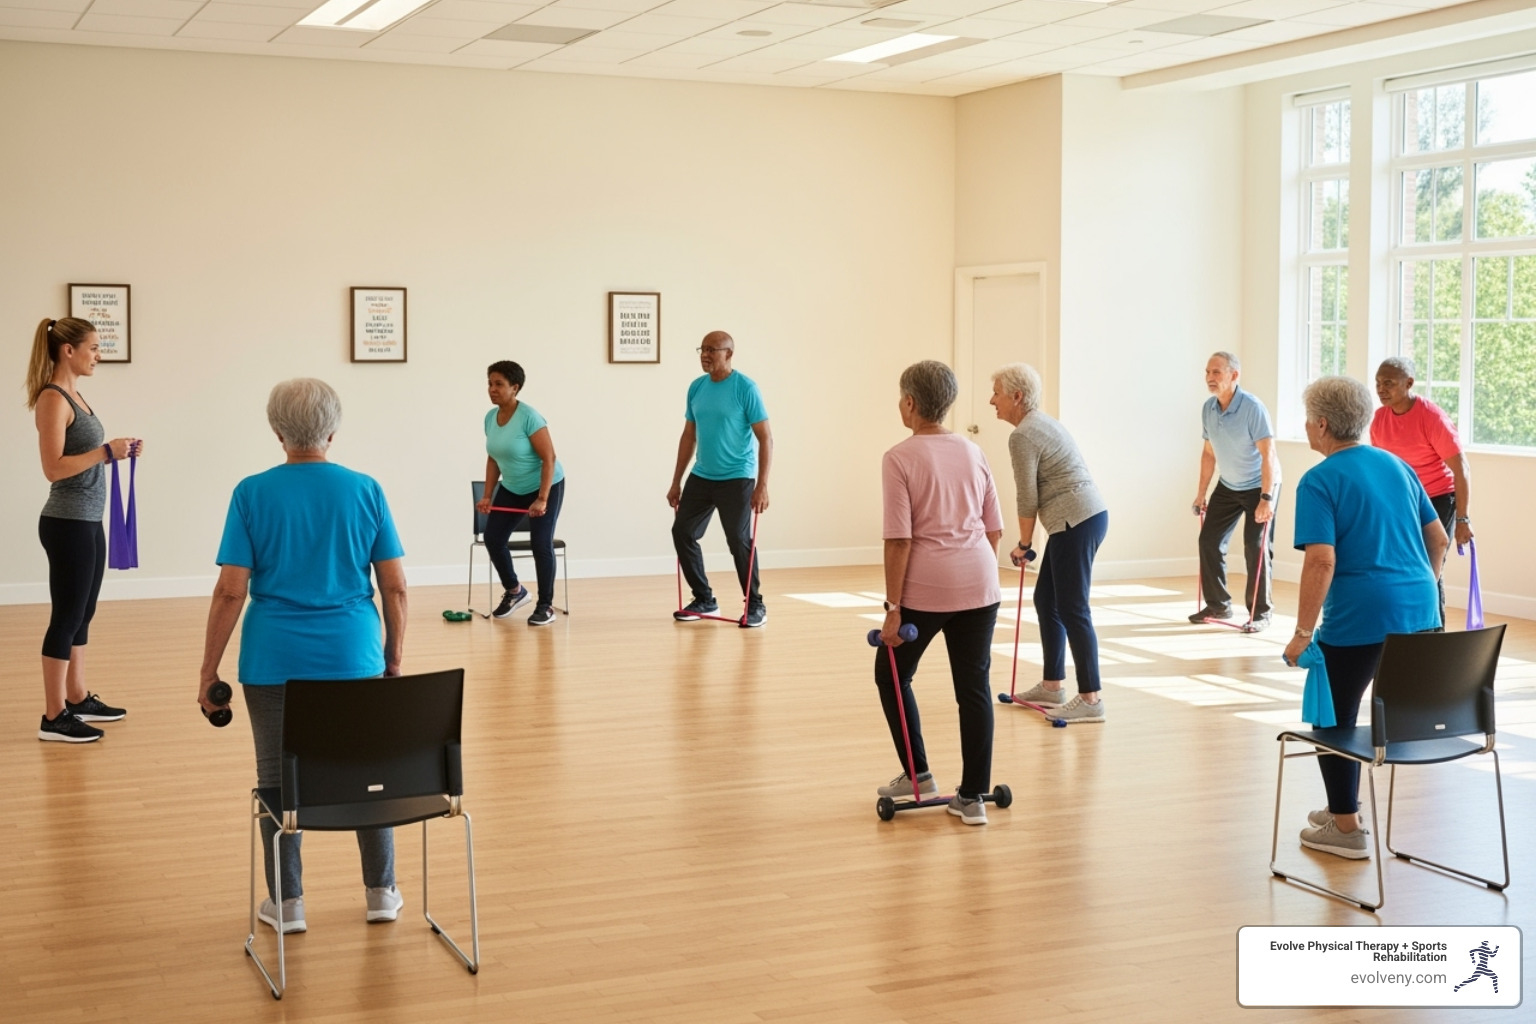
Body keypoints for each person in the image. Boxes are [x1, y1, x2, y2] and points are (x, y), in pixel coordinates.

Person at [199, 378, 409, 934]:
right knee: (367, 772)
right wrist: (391, 658)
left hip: (273, 660)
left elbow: (230, 590)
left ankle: (288, 904)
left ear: (277, 431)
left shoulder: (251, 492)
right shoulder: (365, 489)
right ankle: (381, 893)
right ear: (332, 431)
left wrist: (207, 672)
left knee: (276, 780)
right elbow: (395, 588)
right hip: (353, 658)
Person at [1282, 376, 1445, 860]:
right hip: (1421, 615)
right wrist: (1418, 589)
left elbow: (1321, 561)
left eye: (1309, 418)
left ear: (1323, 425)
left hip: (1359, 619)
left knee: (1332, 720)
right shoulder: (1397, 466)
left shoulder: (1319, 480)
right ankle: (1340, 810)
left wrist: (1301, 634)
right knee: (1357, 712)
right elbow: (1437, 539)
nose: (1307, 427)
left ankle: (1347, 828)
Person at [874, 361, 1004, 825]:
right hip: (981, 584)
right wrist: (973, 570)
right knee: (974, 689)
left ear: (910, 403)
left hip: (926, 591)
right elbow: (994, 529)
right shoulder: (972, 451)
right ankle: (972, 798)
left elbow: (900, 539)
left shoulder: (899, 457)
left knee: (892, 674)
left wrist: (893, 609)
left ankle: (918, 775)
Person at [26, 317, 139, 743]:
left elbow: (89, 455)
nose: (98, 355)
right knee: (67, 615)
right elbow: (52, 468)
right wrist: (105, 451)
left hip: (87, 520)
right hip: (66, 521)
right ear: (68, 350)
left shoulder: (77, 395)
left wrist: (116, 453)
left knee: (84, 613)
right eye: (93, 347)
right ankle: (53, 716)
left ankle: (76, 696)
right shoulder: (53, 399)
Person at [989, 363, 1109, 722]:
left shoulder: (1023, 434)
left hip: (1077, 521)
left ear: (1016, 396)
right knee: (1047, 599)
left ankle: (1091, 699)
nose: (991, 400)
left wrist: (1024, 544)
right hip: (1076, 520)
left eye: (996, 392)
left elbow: (1027, 497)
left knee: (1074, 608)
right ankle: (1052, 685)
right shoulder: (1039, 423)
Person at [667, 330, 772, 628]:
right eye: (702, 349)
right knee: (682, 532)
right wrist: (676, 481)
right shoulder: (696, 388)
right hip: (702, 475)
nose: (705, 354)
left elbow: (765, 438)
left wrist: (762, 484)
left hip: (737, 477)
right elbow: (689, 435)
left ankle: (755, 605)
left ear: (729, 353)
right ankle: (704, 599)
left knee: (738, 540)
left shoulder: (745, 388)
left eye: (713, 349)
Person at [1370, 355, 1472, 627]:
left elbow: (1461, 469)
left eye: (1389, 383)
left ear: (1409, 383)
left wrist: (1462, 520)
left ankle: (1433, 636)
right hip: (1402, 501)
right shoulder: (1379, 419)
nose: (1381, 389)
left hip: (1438, 499)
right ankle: (1408, 633)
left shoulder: (1431, 417)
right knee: (1404, 568)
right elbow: (1383, 469)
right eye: (1378, 383)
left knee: (1429, 569)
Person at [1192, 351, 1281, 629]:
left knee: (1255, 547)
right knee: (1208, 541)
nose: (1210, 378)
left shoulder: (1252, 408)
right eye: (1207, 372)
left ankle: (1261, 613)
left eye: (1217, 372)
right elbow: (1208, 454)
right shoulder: (1208, 408)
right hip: (1229, 485)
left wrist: (1266, 498)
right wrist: (1201, 493)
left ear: (1234, 375)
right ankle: (1218, 606)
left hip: (1260, 485)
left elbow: (1269, 455)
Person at [476, 360, 565, 627]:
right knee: (493, 538)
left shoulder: (530, 417)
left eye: (499, 384)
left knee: (541, 543)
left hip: (544, 485)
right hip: (513, 487)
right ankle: (515, 591)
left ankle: (545, 605)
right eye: (490, 383)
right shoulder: (490, 418)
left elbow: (549, 458)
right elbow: (493, 459)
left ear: (515, 388)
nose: (492, 389)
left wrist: (542, 498)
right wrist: (487, 495)